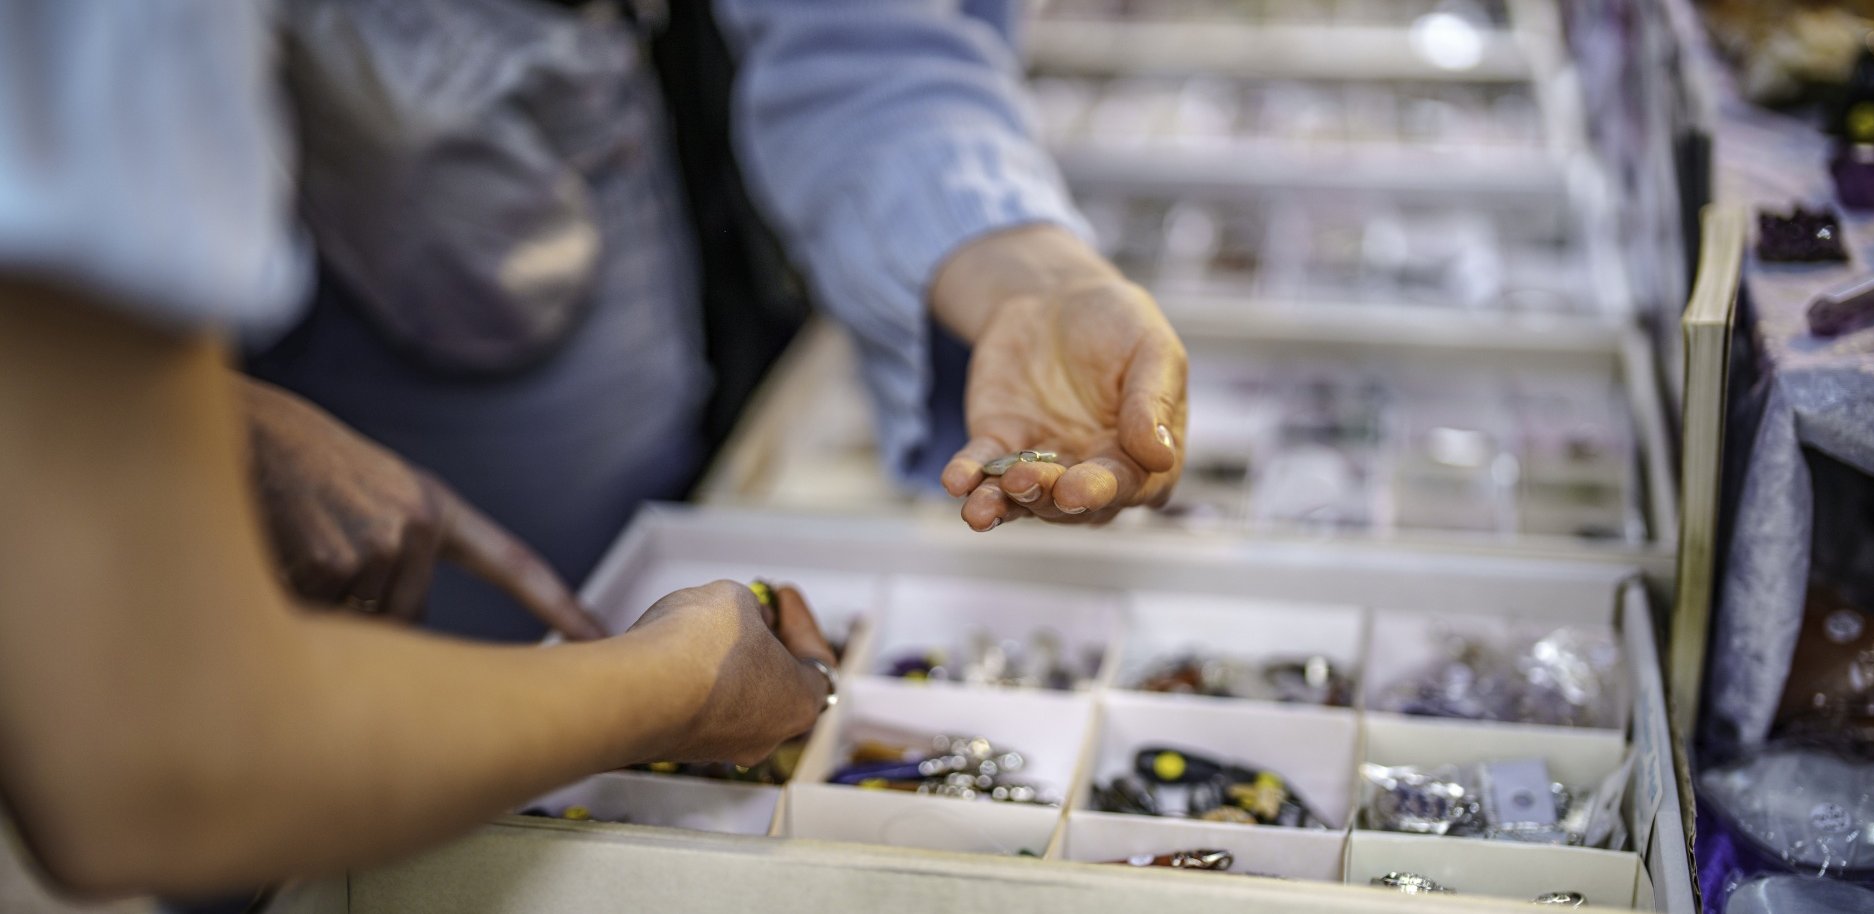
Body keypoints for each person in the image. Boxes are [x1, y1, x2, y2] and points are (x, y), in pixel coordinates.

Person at [0, 0, 1187, 902]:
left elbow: (866, 33)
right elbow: (171, 753)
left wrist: (1025, 261)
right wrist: (668, 688)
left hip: (511, 227)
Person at [245, 0, 1191, 641]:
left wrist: (1025, 269)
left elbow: (868, 43)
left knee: (568, 606)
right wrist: (209, 416)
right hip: (224, 303)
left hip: (521, 194)